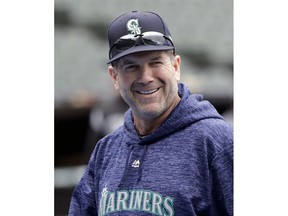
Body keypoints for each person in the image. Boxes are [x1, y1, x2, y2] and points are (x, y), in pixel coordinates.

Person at [69, 11, 233, 216]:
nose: (146, 77)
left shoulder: (218, 142)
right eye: (131, 67)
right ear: (115, 78)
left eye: (155, 62)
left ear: (175, 67)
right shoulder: (106, 150)